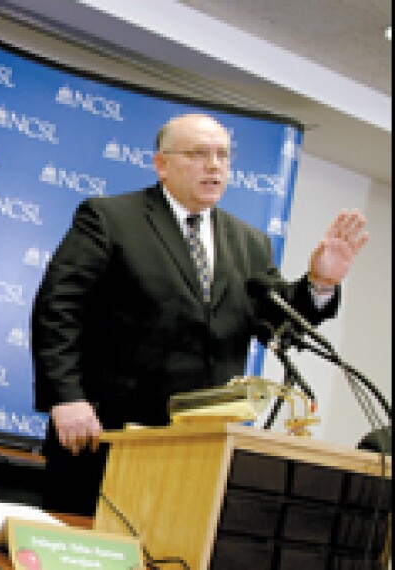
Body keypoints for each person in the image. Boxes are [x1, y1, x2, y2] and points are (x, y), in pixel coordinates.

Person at [31, 113, 370, 516]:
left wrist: (319, 283)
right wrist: (67, 398)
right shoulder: (110, 219)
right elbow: (58, 309)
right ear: (162, 164)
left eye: (223, 156)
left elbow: (275, 321)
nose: (214, 166)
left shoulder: (250, 242)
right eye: (198, 154)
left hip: (201, 449)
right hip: (108, 434)